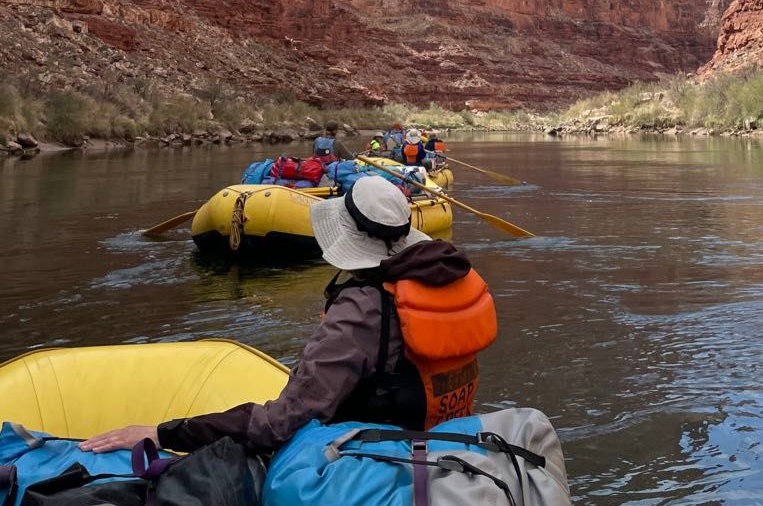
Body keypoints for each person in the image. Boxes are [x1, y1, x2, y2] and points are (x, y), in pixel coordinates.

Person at [80, 177, 496, 456]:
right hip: (445, 448)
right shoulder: (450, 280)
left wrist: (163, 432)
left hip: (376, 463)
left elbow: (278, 425)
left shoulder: (362, 309)